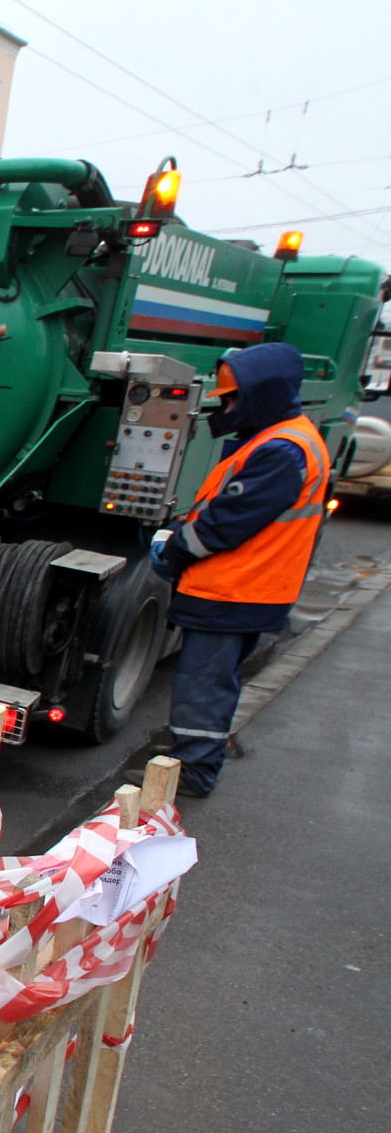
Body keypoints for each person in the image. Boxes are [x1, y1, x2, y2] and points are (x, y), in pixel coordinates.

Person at [149, 342, 329, 798]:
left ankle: (193, 773)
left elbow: (226, 524)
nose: (225, 409)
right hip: (245, 588)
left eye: (232, 399)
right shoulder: (285, 438)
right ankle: (194, 763)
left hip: (235, 591)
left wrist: (174, 551)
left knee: (202, 690)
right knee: (209, 686)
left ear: (261, 395)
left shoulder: (282, 449)